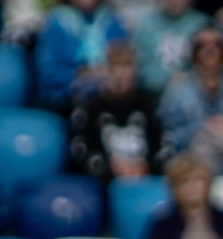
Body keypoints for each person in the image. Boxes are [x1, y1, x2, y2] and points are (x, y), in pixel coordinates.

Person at [158, 25, 223, 172]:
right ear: (193, 53)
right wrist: (204, 128)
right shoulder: (176, 92)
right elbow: (169, 140)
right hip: (192, 166)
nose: (210, 50)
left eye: (217, 45)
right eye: (203, 46)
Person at [65, 41, 162, 181]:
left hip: (145, 180)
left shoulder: (148, 106)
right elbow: (80, 148)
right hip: (105, 183)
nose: (121, 74)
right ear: (105, 71)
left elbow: (161, 146)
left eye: (127, 67)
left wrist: (146, 166)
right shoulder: (90, 108)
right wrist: (111, 168)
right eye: (116, 66)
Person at [38, 0, 129, 108]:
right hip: (68, 93)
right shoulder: (57, 22)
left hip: (110, 88)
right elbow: (50, 69)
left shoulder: (111, 19)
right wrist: (82, 74)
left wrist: (109, 73)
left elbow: (123, 58)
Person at [126, 0, 210, 96]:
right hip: (154, 95)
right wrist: (169, 81)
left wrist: (187, 80)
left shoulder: (203, 24)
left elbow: (211, 67)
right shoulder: (146, 24)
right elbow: (141, 68)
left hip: (195, 95)